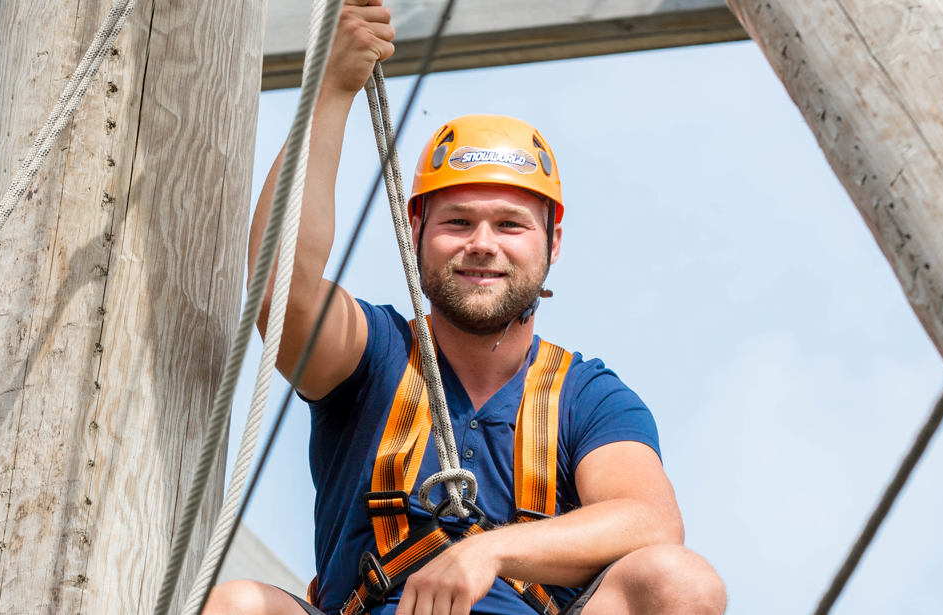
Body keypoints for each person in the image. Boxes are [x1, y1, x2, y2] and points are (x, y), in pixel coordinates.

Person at [203, 2, 726, 614]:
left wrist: (488, 553)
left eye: (509, 224)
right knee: (238, 605)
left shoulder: (586, 397)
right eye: (458, 222)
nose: (482, 243)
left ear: (552, 242)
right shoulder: (374, 359)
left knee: (679, 582)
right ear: (415, 229)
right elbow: (281, 292)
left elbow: (651, 521)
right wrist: (334, 86)